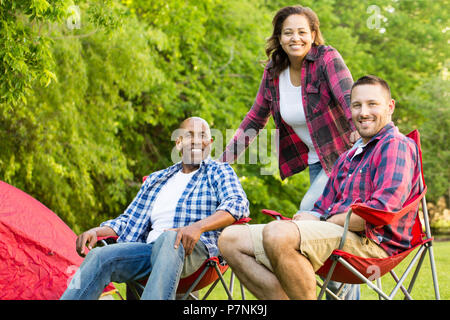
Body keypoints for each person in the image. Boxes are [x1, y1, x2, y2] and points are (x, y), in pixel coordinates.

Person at [219, 75, 421, 300]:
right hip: (338, 233)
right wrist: (309, 216)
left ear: (390, 106)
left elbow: (380, 213)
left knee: (278, 234)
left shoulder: (395, 145)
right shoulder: (347, 157)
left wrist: (325, 220)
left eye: (372, 104)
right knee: (230, 239)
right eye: (356, 105)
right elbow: (324, 205)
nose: (363, 112)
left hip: (372, 243)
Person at [220, 5, 359, 299]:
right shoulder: (274, 72)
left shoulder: (326, 60)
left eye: (302, 32)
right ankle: (340, 291)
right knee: (326, 234)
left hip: (344, 160)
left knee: (306, 221)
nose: (295, 38)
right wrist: (223, 161)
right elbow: (255, 118)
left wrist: (363, 134)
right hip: (313, 163)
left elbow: (348, 98)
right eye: (288, 32)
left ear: (313, 34)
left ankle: (333, 291)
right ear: (279, 37)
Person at [60, 117, 249, 300]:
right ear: (179, 142)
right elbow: (128, 221)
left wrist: (197, 227)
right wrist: (96, 230)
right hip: (148, 251)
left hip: (195, 253)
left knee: (170, 237)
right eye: (190, 135)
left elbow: (237, 204)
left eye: (203, 135)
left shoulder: (219, 171)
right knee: (99, 256)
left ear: (210, 142)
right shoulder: (157, 179)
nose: (197, 141)